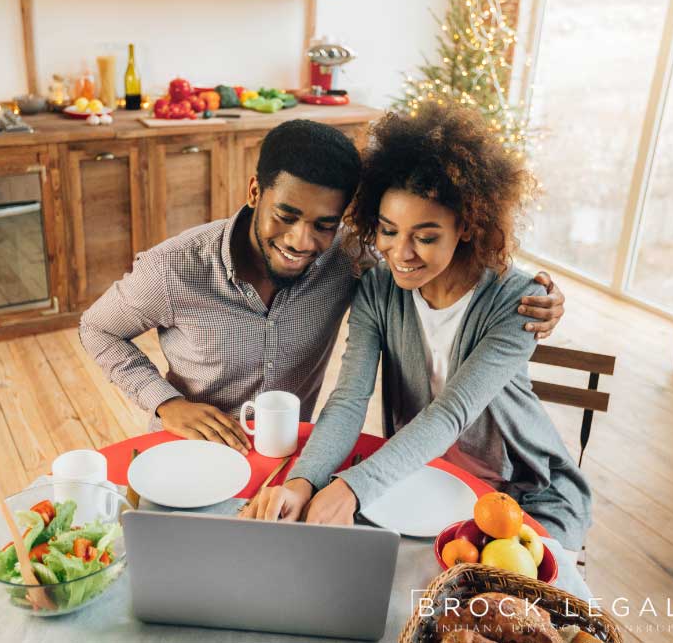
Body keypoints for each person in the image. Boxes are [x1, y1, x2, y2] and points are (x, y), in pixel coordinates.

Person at [79, 118, 567, 462]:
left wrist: (530, 285)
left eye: (324, 225)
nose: (301, 241)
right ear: (255, 193)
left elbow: (425, 239)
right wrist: (166, 404)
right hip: (189, 450)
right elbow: (97, 327)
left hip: (290, 455)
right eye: (286, 216)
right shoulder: (173, 269)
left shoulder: (350, 255)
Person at [241, 104, 591, 551]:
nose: (400, 253)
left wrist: (351, 487)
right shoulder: (377, 289)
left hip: (521, 492)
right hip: (413, 478)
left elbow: (451, 413)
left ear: (464, 226)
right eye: (388, 230)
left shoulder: (517, 300)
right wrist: (301, 483)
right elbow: (349, 399)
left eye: (425, 237)